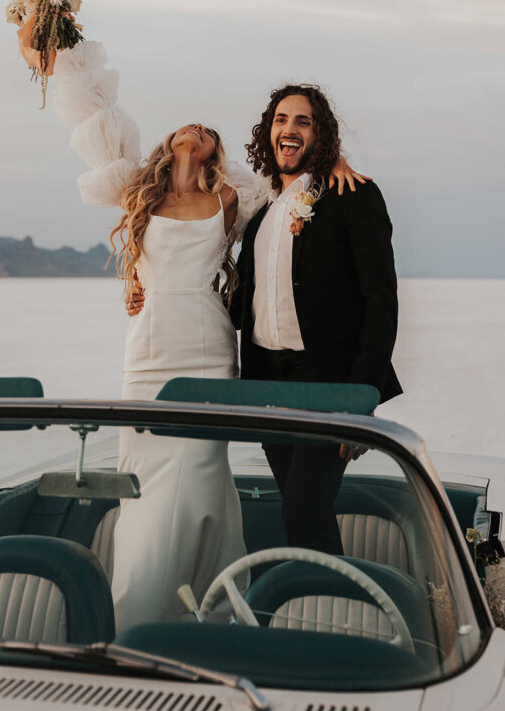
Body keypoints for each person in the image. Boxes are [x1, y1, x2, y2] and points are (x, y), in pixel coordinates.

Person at [40, 40, 362, 630]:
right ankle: (141, 609)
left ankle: (210, 611)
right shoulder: (137, 190)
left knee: (199, 483)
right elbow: (91, 117)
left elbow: (294, 184)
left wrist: (333, 164)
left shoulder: (231, 198)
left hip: (210, 351)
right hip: (149, 350)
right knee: (144, 486)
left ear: (215, 151)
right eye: (187, 126)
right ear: (168, 144)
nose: (196, 129)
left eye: (208, 130)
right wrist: (58, 42)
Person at [231, 83, 402, 556]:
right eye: (281, 119)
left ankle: (332, 612)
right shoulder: (260, 208)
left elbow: (380, 301)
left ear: (320, 134)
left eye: (302, 121)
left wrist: (359, 398)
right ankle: (325, 607)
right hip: (266, 381)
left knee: (303, 509)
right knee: (298, 506)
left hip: (326, 381)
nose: (289, 129)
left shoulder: (353, 195)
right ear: (269, 131)